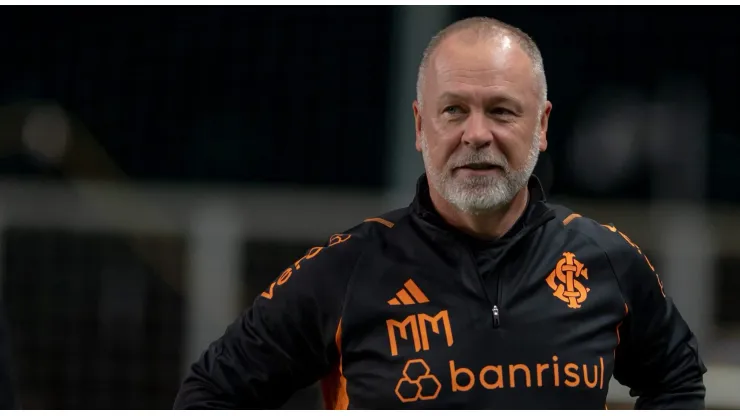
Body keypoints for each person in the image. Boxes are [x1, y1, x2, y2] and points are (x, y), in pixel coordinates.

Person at [173, 16, 707, 409]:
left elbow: (677, 377)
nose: (477, 134)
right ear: (420, 126)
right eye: (454, 110)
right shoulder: (346, 270)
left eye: (501, 110)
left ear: (542, 126)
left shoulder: (604, 259)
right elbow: (210, 393)